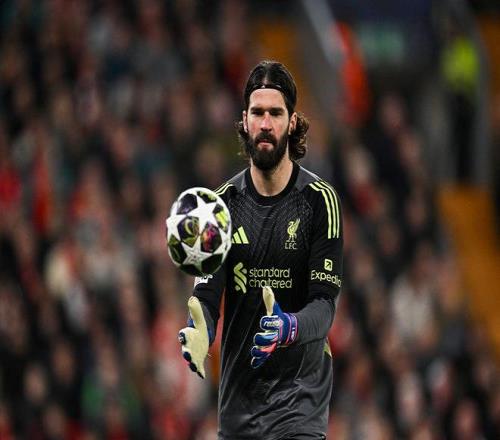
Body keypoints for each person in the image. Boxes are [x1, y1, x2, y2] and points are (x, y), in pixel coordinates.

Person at [178, 60, 343, 439]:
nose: (265, 123)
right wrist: (200, 331)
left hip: (300, 404)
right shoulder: (219, 206)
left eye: (275, 113)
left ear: (292, 122)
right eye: (257, 113)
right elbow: (206, 297)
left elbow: (324, 307)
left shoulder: (320, 202)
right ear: (245, 120)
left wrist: (288, 327)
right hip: (240, 409)